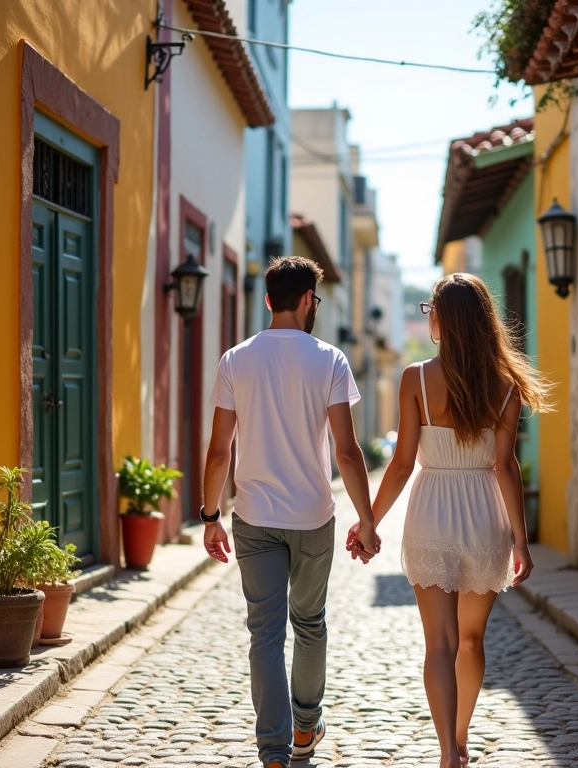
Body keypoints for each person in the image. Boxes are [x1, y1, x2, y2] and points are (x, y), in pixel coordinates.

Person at [347, 273, 551, 768]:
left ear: (442, 318)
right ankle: (461, 739)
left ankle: (446, 753)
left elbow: (401, 464)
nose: (428, 317)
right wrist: (521, 542)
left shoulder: (415, 378)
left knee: (438, 643)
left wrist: (369, 521)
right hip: (484, 515)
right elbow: (505, 466)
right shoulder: (506, 385)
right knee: (471, 640)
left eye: (429, 309)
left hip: (432, 511)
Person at [201, 256, 379, 768]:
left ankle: (273, 751)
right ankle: (305, 728)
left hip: (254, 517)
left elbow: (220, 451)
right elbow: (347, 452)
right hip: (313, 518)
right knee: (310, 623)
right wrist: (367, 520)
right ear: (306, 300)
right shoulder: (330, 360)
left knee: (265, 632)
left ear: (267, 300)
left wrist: (211, 517)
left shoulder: (235, 359)